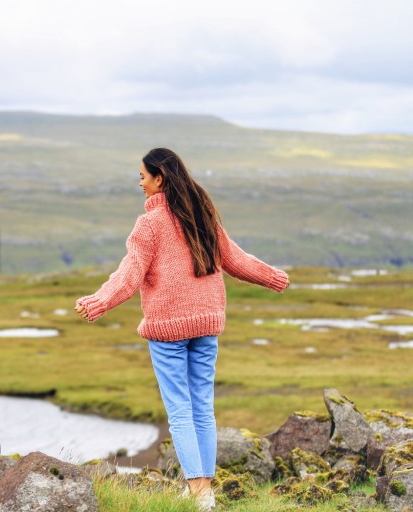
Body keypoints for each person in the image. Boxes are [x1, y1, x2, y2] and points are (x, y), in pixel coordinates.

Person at [74, 148, 289, 511]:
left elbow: (129, 274)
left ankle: (199, 493)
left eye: (143, 176)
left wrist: (99, 301)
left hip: (167, 329)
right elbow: (235, 259)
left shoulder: (150, 225)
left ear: (159, 178)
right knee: (202, 407)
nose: (140, 184)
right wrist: (273, 277)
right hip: (206, 323)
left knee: (180, 411)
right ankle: (203, 490)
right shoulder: (201, 214)